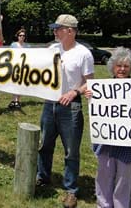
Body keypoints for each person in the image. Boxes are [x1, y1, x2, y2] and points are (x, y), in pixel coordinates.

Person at [36, 14, 94, 208]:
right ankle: (42, 178)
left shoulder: (84, 54)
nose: (54, 31)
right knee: (45, 145)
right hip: (49, 103)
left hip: (72, 107)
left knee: (71, 150)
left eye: (58, 28)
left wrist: (74, 91)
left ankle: (71, 190)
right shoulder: (53, 49)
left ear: (70, 31)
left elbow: (89, 82)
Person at [85, 47, 131, 208]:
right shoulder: (103, 88)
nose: (122, 69)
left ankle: (121, 205)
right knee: (104, 176)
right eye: (119, 66)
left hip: (128, 144)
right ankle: (103, 205)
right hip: (106, 142)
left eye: (126, 66)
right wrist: (91, 96)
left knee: (124, 179)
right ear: (113, 67)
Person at [8, 27, 30, 110]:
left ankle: (17, 100)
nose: (22, 37)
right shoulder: (13, 45)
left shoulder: (28, 46)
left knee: (20, 84)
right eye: (20, 35)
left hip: (23, 67)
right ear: (18, 36)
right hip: (14, 67)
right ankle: (14, 100)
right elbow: (9, 55)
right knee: (14, 84)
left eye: (23, 36)